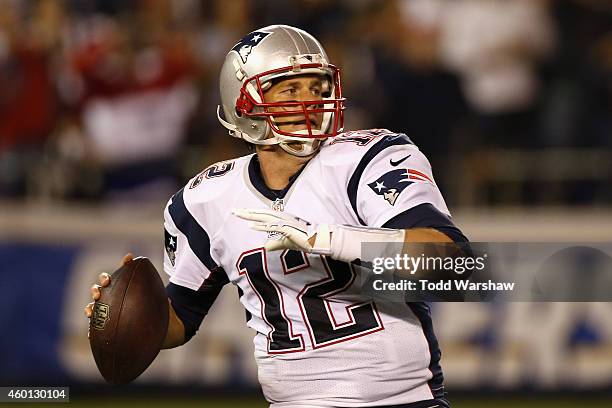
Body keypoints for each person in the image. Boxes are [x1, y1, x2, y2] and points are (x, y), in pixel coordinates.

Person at [85, 25, 468, 408]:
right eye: (290, 89)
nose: (312, 100)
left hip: (400, 401)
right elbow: (179, 319)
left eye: (317, 87)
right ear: (244, 103)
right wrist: (117, 314)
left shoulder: (367, 160)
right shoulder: (206, 199)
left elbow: (452, 265)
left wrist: (334, 241)